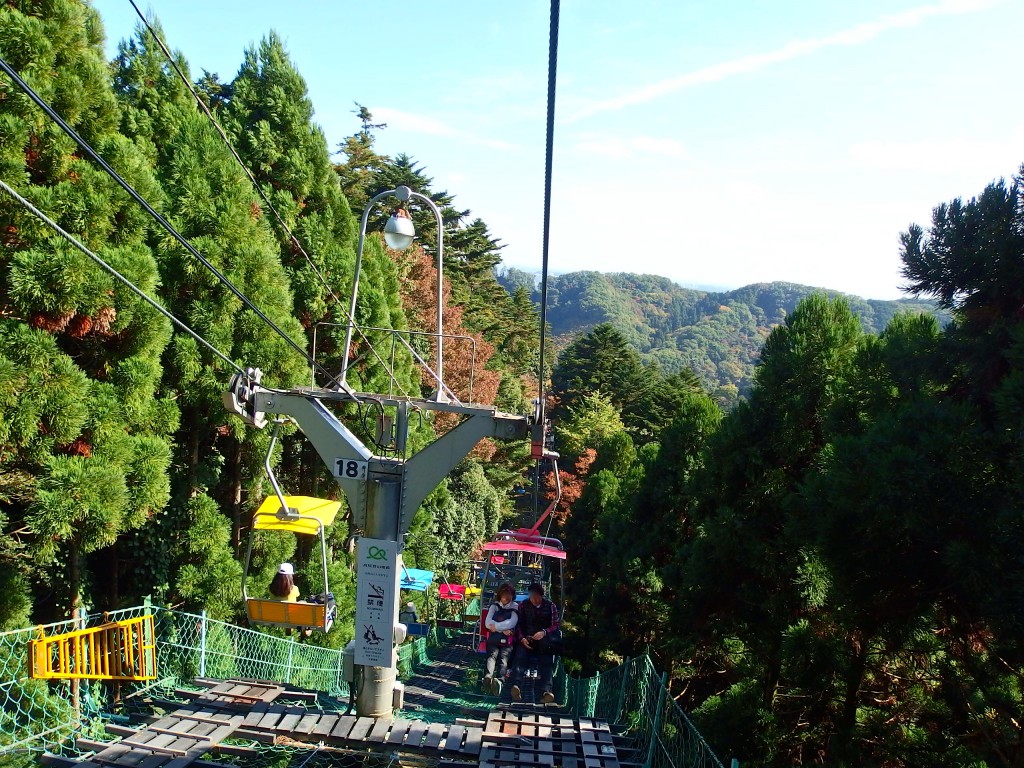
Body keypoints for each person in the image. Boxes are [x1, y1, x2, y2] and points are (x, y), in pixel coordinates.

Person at [510, 582, 560, 704]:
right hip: (527, 639)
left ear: (542, 596)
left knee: (546, 661)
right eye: (532, 597)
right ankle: (516, 686)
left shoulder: (550, 606)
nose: (534, 600)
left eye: (537, 597)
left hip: (543, 640)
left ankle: (546, 691)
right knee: (520, 656)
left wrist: (544, 632)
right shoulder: (523, 606)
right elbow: (518, 625)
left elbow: (555, 625)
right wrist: (522, 638)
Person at [482, 583, 519, 696]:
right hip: (496, 638)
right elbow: (488, 623)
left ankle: (499, 679)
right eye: (504, 596)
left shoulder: (515, 607)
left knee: (503, 657)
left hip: (507, 640)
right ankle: (488, 676)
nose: (506, 598)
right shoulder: (494, 606)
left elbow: (512, 622)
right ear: (500, 596)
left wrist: (497, 627)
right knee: (492, 655)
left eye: (509, 596)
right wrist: (502, 630)